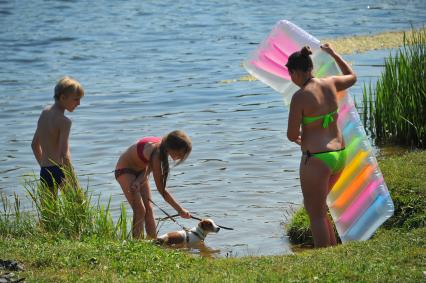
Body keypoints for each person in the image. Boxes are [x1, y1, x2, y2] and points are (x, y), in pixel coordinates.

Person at [286, 44, 357, 248]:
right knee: (320, 208)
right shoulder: (331, 83)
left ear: (296, 72)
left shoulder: (299, 97)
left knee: (315, 213)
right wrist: (334, 53)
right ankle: (332, 250)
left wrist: (301, 138)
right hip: (339, 155)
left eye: (290, 74)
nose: (291, 79)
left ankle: (322, 255)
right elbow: (352, 76)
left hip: (317, 159)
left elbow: (291, 134)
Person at [115, 130, 192, 239]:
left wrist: (139, 180)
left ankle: (154, 242)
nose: (181, 157)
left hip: (140, 171)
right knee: (140, 210)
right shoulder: (156, 153)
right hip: (125, 170)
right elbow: (162, 190)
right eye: (180, 153)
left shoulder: (163, 146)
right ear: (172, 147)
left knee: (149, 209)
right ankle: (137, 245)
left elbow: (148, 167)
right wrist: (180, 210)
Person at [31, 76, 84, 193]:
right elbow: (64, 155)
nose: (79, 103)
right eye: (76, 99)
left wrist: (44, 167)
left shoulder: (44, 113)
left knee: (48, 211)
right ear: (63, 97)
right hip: (60, 170)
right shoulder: (64, 121)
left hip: (45, 170)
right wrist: (75, 182)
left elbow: (34, 145)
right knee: (75, 207)